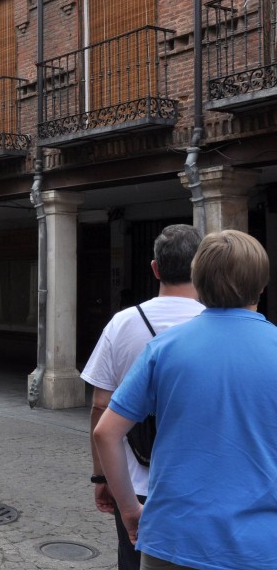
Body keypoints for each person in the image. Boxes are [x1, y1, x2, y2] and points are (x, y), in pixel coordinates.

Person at [93, 230, 277, 570]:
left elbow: (106, 432)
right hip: (261, 546)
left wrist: (130, 509)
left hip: (173, 539)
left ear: (199, 280)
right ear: (262, 285)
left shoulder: (164, 349)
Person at [81, 224, 203, 570]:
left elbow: (100, 406)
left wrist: (101, 476)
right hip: (196, 481)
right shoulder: (215, 322)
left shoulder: (122, 323)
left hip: (134, 481)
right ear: (201, 267)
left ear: (155, 268)